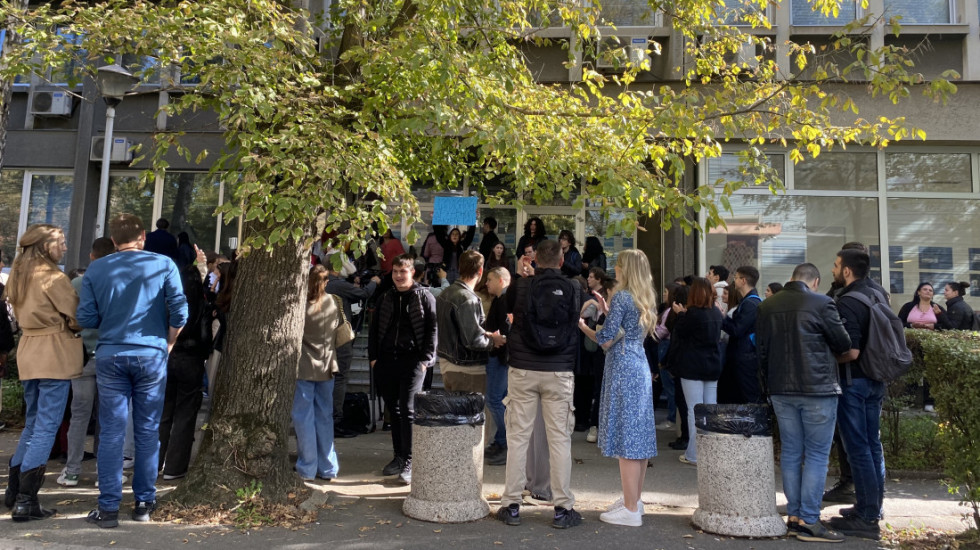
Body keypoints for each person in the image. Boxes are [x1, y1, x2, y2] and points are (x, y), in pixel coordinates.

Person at [77, 213, 188, 528]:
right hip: (151, 352)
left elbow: (86, 317)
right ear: (142, 237)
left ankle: (108, 507)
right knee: (148, 430)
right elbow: (180, 310)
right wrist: (168, 343)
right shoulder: (163, 265)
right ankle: (143, 503)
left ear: (113, 241)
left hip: (111, 353)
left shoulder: (98, 268)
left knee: (111, 432)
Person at [757, 263, 852, 543]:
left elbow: (761, 352)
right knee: (816, 455)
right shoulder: (823, 303)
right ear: (815, 282)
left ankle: (795, 515)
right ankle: (809, 520)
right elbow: (843, 343)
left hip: (780, 389)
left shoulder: (767, 306)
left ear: (792, 279)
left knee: (790, 452)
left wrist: (766, 387)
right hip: (817, 388)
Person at [496, 239, 582, 529]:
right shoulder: (574, 288)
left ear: (534, 260)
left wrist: (525, 276)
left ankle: (511, 505)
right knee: (559, 439)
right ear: (561, 260)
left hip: (523, 368)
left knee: (518, 437)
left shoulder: (521, 286)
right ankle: (562, 508)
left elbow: (502, 307)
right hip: (559, 371)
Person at [2, 224, 84, 522]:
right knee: (47, 426)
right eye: (61, 242)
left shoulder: (19, 274)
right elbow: (76, 315)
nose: (64, 247)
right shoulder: (51, 277)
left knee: (33, 423)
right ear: (45, 245)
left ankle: (14, 493)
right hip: (54, 351)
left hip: (28, 349)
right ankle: (26, 500)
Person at [578, 250, 658, 527]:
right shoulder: (644, 297)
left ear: (627, 269)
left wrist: (581, 325)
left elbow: (605, 337)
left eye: (619, 265)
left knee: (627, 438)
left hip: (623, 367)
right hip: (639, 365)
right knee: (639, 436)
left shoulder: (623, 296)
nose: (616, 269)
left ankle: (630, 508)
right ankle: (634, 501)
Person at [827, 248, 886, 540]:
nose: (834, 270)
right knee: (873, 446)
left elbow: (851, 351)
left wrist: (825, 360)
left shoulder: (848, 301)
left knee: (858, 449)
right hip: (876, 378)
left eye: (837, 265)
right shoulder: (878, 293)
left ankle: (866, 517)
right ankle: (871, 506)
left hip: (854, 382)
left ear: (848, 270)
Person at [368, 255, 437, 485]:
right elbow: (374, 328)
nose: (398, 275)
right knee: (393, 411)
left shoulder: (423, 296)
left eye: (403, 271)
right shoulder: (386, 297)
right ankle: (399, 456)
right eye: (395, 271)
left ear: (412, 272)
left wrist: (425, 360)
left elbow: (432, 329)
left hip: (412, 362)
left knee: (407, 410)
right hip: (387, 361)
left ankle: (409, 459)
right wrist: (374, 358)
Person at [59, 237, 116, 487]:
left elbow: (67, 317)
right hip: (109, 353)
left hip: (80, 354)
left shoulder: (77, 283)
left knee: (79, 415)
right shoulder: (117, 283)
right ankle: (104, 473)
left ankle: (72, 470)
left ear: (92, 256)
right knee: (107, 416)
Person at [158, 246, 210, 481]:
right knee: (186, 413)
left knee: (164, 412)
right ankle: (175, 466)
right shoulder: (202, 304)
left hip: (168, 354)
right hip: (192, 358)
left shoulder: (167, 301)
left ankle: (155, 461)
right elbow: (206, 334)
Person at [293, 265, 343, 481]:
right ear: (326, 281)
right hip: (327, 364)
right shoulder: (334, 302)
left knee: (303, 417)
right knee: (324, 416)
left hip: (304, 365)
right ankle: (328, 466)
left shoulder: (299, 305)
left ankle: (307, 467)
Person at [667, 277, 723, 466]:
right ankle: (712, 452)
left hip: (692, 366)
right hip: (713, 365)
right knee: (710, 408)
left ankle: (694, 454)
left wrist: (680, 314)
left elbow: (680, 333)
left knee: (694, 410)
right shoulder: (716, 312)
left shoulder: (691, 313)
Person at [436, 250, 505, 394]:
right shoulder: (467, 298)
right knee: (469, 415)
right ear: (481, 271)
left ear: (460, 268)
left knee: (457, 414)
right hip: (466, 368)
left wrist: (486, 334)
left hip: (449, 365)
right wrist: (494, 341)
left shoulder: (446, 293)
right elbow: (473, 339)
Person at [326, 257, 380, 437]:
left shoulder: (325, 283)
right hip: (339, 337)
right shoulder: (336, 284)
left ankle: (329, 418)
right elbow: (364, 294)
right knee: (340, 376)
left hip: (324, 337)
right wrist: (373, 283)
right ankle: (335, 420)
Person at [577, 267, 615, 441]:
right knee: (601, 388)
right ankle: (597, 426)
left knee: (604, 388)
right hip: (605, 353)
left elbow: (604, 339)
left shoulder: (613, 310)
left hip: (612, 353)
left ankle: (600, 427)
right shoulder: (601, 306)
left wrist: (584, 326)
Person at [482, 267, 512, 466]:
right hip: (497, 356)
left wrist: (496, 338)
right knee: (498, 400)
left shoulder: (506, 300)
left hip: (501, 358)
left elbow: (507, 330)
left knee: (494, 400)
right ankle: (502, 441)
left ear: (501, 281)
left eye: (490, 279)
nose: (487, 283)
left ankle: (505, 442)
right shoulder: (501, 300)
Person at [721, 266, 763, 404]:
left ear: (743, 280)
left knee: (748, 397)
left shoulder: (751, 303)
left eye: (736, 277)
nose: (734, 280)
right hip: (742, 356)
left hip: (745, 359)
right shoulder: (747, 301)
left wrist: (722, 318)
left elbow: (737, 329)